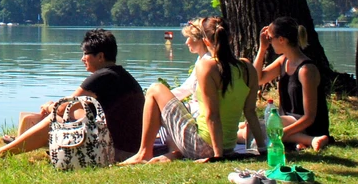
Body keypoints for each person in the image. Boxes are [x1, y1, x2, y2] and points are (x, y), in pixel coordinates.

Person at [0, 29, 144, 162]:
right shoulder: (119, 75)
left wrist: (50, 106)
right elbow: (74, 107)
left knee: (54, 119)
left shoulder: (103, 76)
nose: (82, 59)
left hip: (116, 151)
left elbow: (63, 108)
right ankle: (19, 142)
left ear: (100, 56)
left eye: (85, 54)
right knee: (46, 117)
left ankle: (0, 153)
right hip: (125, 147)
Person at [121, 17, 265, 164]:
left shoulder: (206, 66)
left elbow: (212, 115)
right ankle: (171, 153)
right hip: (228, 146)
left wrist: (218, 156)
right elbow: (250, 112)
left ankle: (144, 153)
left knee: (155, 89)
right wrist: (262, 148)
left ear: (206, 41)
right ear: (231, 38)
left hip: (203, 147)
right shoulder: (247, 67)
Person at [253, 16, 331, 151]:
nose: (269, 42)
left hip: (307, 125)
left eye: (270, 39)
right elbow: (258, 79)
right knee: (246, 127)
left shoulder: (306, 70)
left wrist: (282, 134)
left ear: (281, 39)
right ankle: (304, 141)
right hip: (288, 120)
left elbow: (309, 117)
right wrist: (262, 48)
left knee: (250, 131)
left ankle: (309, 138)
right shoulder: (283, 61)